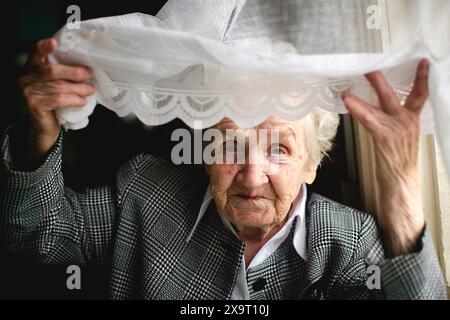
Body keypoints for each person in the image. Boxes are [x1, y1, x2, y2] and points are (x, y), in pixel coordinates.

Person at [0, 38, 446, 299]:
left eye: (280, 149)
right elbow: (34, 235)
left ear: (312, 164)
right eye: (231, 143)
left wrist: (403, 187)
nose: (252, 177)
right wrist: (39, 129)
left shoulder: (350, 246)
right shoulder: (145, 192)